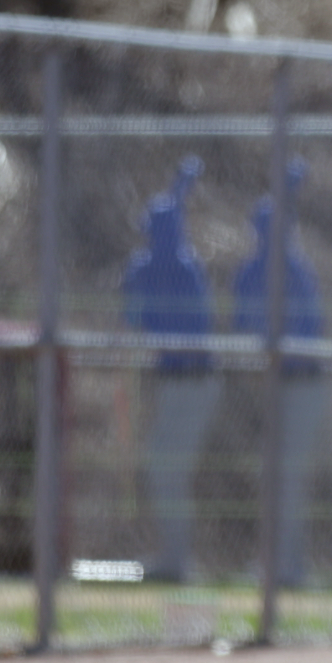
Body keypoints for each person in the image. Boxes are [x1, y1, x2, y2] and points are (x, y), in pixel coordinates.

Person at [121, 155, 219, 584]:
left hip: (193, 381)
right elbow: (132, 316)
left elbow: (186, 327)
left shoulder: (183, 268)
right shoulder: (152, 268)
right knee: (164, 468)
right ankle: (172, 557)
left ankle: (176, 561)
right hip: (169, 380)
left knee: (166, 467)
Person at [232, 160, 325, 588]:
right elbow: (240, 322)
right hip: (268, 385)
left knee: (289, 476)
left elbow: (310, 330)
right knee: (271, 476)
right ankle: (273, 563)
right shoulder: (253, 271)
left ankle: (289, 566)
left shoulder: (296, 270)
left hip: (301, 385)